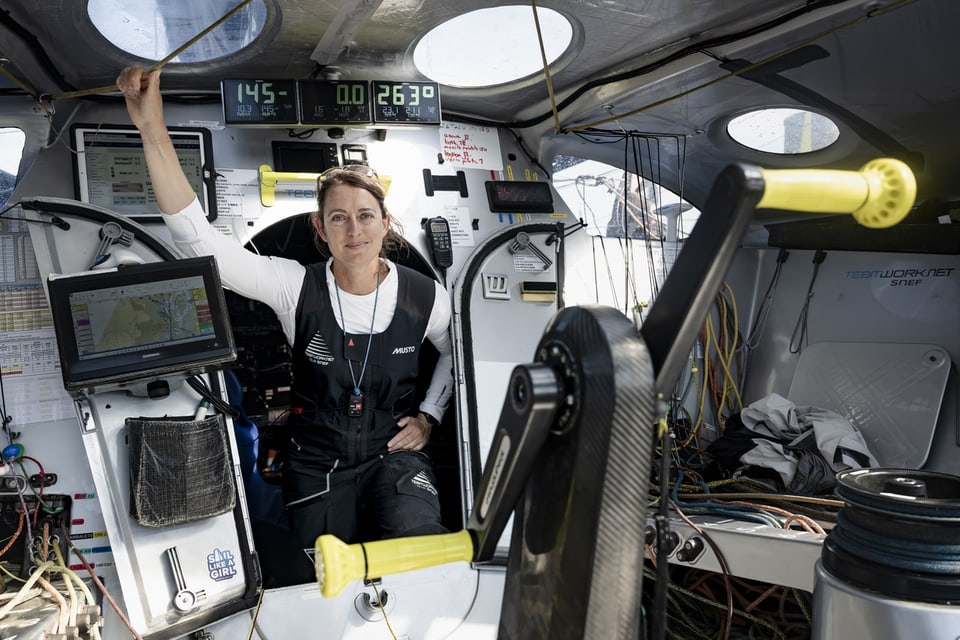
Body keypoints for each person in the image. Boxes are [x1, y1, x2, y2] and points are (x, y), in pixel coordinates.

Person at [116, 65, 454, 582]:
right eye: (338, 217)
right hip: (317, 458)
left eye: (365, 215)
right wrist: (151, 128)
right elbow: (198, 242)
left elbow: (457, 352)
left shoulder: (425, 295)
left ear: (386, 222)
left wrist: (429, 414)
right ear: (321, 228)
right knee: (314, 577)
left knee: (423, 556)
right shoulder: (292, 285)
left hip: (392, 451)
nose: (354, 229)